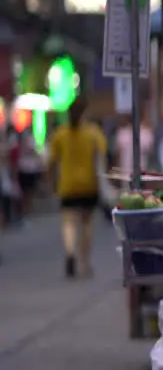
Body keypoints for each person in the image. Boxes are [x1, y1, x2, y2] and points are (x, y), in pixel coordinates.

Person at [48, 99, 108, 279]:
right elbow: (103, 157)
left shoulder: (60, 135)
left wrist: (51, 183)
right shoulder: (93, 133)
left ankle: (70, 252)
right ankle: (84, 262)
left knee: (68, 222)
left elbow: (51, 162)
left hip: (67, 186)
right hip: (89, 185)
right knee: (87, 224)